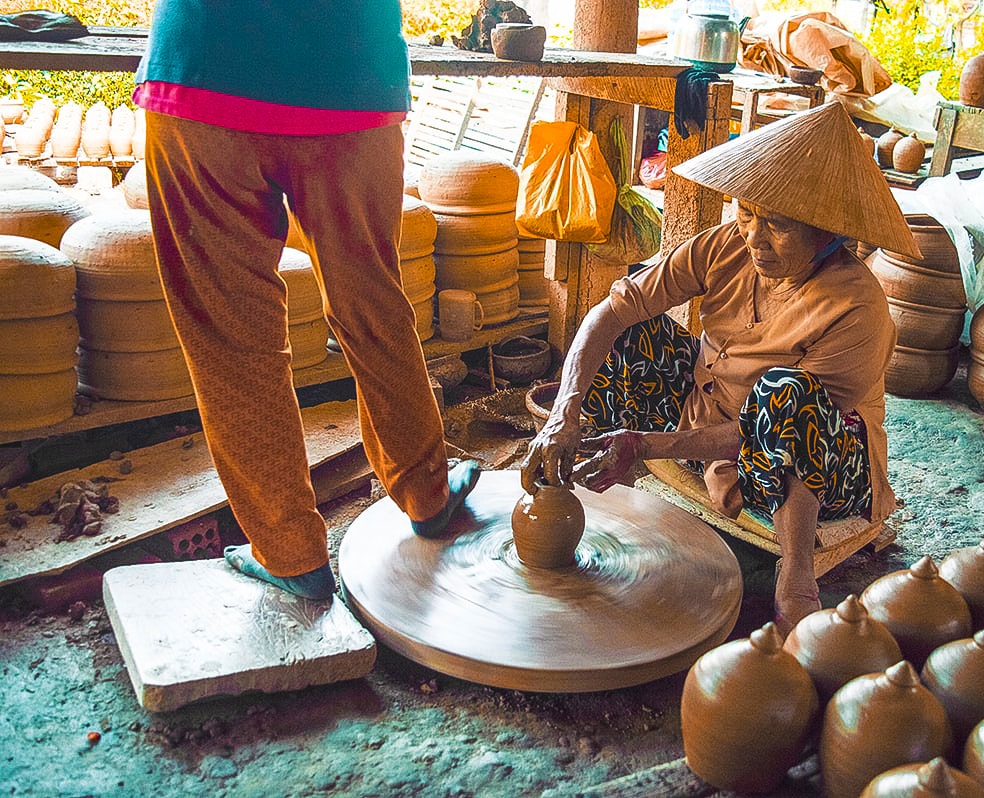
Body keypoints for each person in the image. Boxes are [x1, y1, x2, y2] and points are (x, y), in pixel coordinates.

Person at [520, 102, 919, 633]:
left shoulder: (858, 309)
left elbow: (781, 433)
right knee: (627, 333)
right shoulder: (727, 245)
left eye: (777, 225)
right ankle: (606, 459)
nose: (754, 237)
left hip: (818, 464)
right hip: (705, 410)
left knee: (786, 396)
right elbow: (613, 309)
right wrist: (563, 413)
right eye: (747, 213)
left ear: (827, 234)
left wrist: (646, 445)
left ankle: (796, 575)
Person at [134, 2, 479, 600]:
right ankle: (427, 493)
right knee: (372, 301)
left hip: (208, 64)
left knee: (231, 332)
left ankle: (291, 554)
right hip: (350, 72)